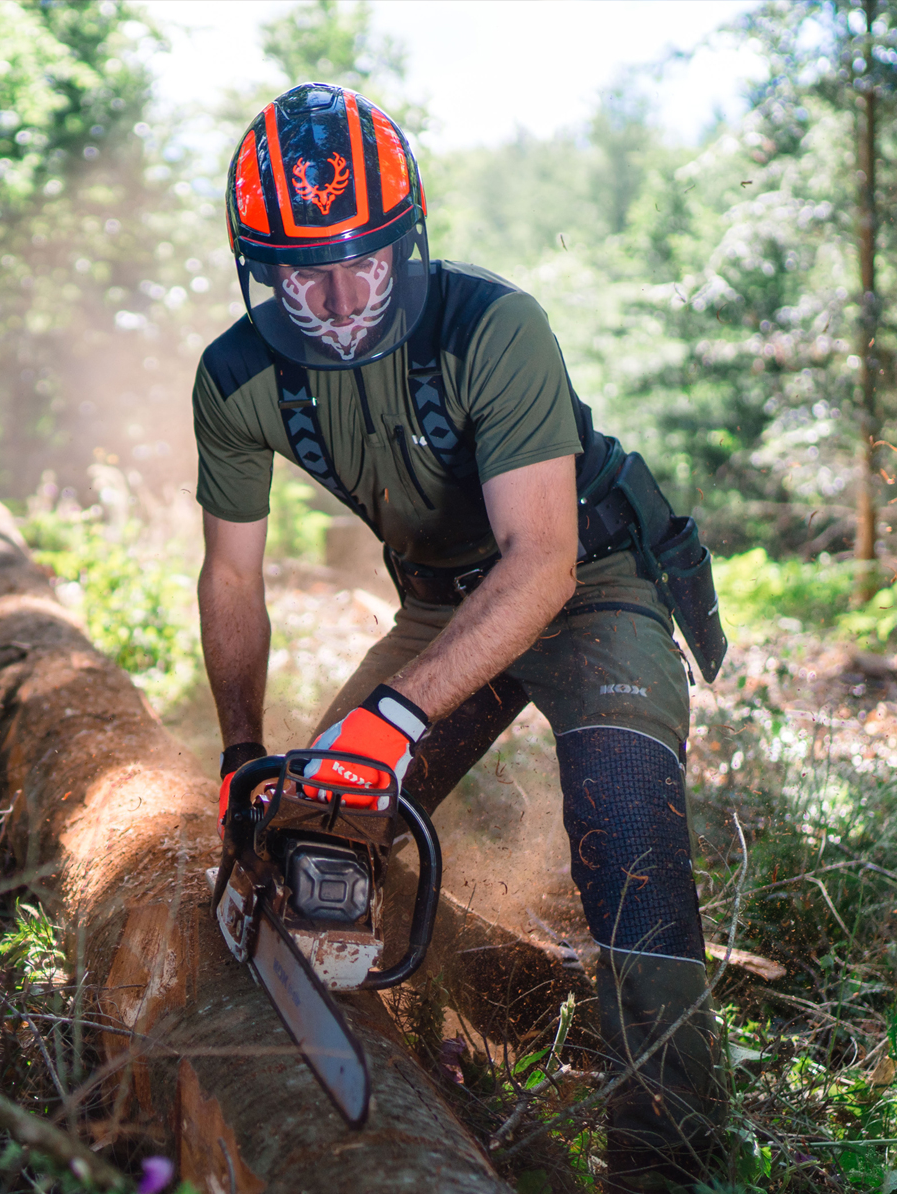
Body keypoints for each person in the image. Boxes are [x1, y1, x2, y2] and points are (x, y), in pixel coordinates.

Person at [193, 82, 725, 1191]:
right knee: (318, 821)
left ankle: (669, 1158)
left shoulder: (493, 325)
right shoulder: (237, 379)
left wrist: (393, 716)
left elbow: (541, 561)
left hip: (588, 581)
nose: (336, 297)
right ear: (260, 268)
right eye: (302, 273)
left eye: (360, 262)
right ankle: (403, 1019)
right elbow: (231, 576)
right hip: (441, 601)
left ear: (407, 240)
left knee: (626, 820)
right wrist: (246, 756)